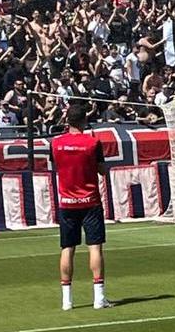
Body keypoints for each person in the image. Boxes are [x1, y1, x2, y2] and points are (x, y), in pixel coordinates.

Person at [52, 103, 112, 311]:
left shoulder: (56, 143)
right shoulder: (92, 143)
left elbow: (57, 166)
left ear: (67, 120)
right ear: (84, 121)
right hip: (90, 201)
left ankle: (67, 301)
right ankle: (99, 298)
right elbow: (102, 171)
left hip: (67, 201)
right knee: (95, 247)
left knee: (67, 248)